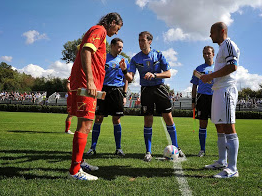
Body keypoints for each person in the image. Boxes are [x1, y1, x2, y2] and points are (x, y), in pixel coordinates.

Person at [68, 12, 123, 181]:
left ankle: (80, 161)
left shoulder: (99, 33)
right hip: (87, 84)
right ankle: (75, 171)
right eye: (117, 28)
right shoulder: (99, 30)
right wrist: (90, 81)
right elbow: (86, 51)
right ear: (112, 22)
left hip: (88, 84)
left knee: (84, 125)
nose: (117, 32)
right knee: (85, 125)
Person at [120, 31, 185, 162]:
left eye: (143, 40)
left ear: (150, 41)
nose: (140, 43)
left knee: (168, 118)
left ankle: (176, 147)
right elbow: (130, 78)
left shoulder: (159, 54)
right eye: (139, 40)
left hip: (160, 88)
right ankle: (148, 152)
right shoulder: (135, 59)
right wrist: (124, 70)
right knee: (148, 120)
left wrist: (155, 75)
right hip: (145, 91)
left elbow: (168, 73)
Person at [201, 22, 240, 178]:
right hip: (218, 90)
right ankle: (222, 161)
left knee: (229, 127)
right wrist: (211, 79)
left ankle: (233, 169)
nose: (210, 35)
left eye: (212, 32)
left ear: (221, 31)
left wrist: (210, 76)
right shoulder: (221, 48)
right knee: (219, 126)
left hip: (226, 91)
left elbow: (233, 66)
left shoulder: (229, 44)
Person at [86, 38, 129, 157]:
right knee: (98, 118)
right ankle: (92, 148)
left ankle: (118, 149)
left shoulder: (123, 60)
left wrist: (124, 95)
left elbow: (127, 79)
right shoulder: (103, 58)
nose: (121, 49)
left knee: (116, 119)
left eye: (122, 47)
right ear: (112, 45)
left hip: (117, 92)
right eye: (119, 47)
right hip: (103, 90)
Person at [190, 46, 215, 157]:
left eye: (208, 53)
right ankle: (202, 150)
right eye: (204, 53)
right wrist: (193, 100)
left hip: (216, 97)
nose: (206, 55)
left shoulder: (218, 67)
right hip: (202, 98)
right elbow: (194, 86)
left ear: (213, 54)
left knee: (220, 124)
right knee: (203, 124)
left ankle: (223, 150)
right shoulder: (198, 69)